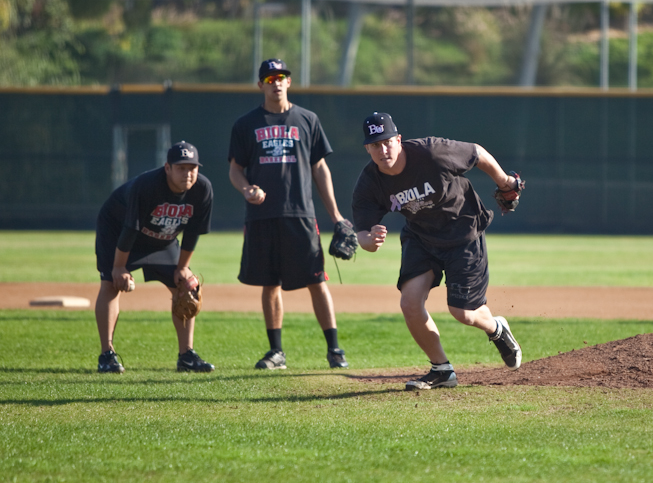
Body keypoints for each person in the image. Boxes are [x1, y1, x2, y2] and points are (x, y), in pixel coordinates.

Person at [351, 112, 523, 390]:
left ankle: (496, 328)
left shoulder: (431, 152)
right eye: (374, 145)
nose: (382, 150)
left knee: (464, 313)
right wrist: (370, 240)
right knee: (409, 303)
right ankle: (442, 370)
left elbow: (476, 153)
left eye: (386, 142)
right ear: (367, 149)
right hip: (421, 237)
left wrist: (504, 182)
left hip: (462, 231)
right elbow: (363, 235)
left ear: (398, 140)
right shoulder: (370, 181)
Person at [228, 58, 351, 370]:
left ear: (289, 82)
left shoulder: (307, 119)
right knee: (270, 283)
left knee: (316, 280)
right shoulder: (245, 125)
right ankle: (276, 352)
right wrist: (246, 190)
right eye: (269, 78)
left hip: (299, 214)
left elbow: (320, 168)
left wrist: (336, 216)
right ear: (260, 85)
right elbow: (235, 170)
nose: (276, 82)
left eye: (281, 77)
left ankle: (335, 349)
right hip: (262, 216)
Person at [94, 141, 214, 373]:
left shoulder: (203, 189)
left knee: (186, 287)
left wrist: (183, 267)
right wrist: (119, 268)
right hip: (118, 230)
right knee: (110, 284)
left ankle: (186, 355)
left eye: (192, 168)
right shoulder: (147, 186)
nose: (188, 174)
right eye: (181, 168)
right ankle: (107, 355)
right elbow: (130, 229)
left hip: (162, 237)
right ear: (167, 168)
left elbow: (192, 232)